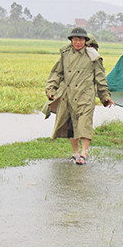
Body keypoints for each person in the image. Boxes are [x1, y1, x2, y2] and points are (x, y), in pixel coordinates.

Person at [45, 27, 114, 165]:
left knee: (84, 124)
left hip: (85, 95)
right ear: (71, 41)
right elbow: (56, 73)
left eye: (80, 40)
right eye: (75, 40)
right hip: (69, 95)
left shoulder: (93, 56)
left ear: (85, 41)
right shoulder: (65, 55)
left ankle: (84, 153)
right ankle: (75, 153)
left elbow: (100, 78)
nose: (78, 42)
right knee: (71, 125)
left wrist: (105, 96)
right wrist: (51, 90)